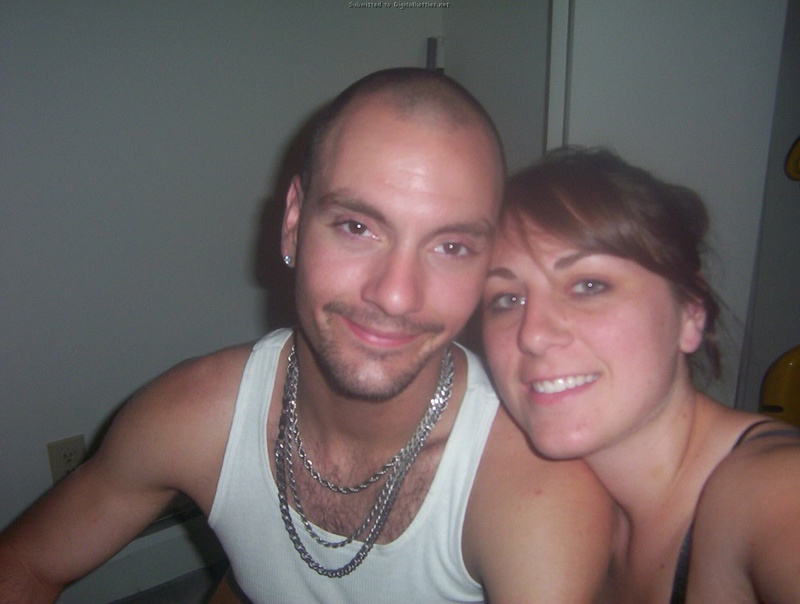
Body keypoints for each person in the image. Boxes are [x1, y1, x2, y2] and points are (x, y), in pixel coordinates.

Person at [0, 69, 613, 604]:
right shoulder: (194, 418)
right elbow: (27, 563)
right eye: (357, 227)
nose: (395, 295)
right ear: (293, 222)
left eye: (451, 246)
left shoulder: (532, 492)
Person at [481, 146, 800, 603]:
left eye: (589, 286)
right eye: (506, 299)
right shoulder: (558, 504)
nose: (532, 334)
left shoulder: (773, 491)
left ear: (690, 312)